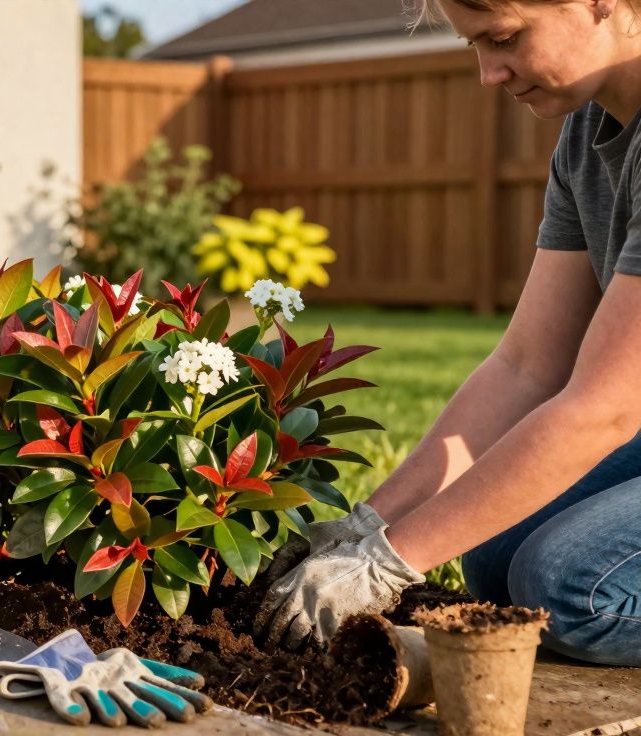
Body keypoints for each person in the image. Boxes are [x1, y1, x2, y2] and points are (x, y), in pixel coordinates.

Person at [256, 0, 641, 667]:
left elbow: (604, 410)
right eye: (476, 48)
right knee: (493, 555)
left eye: (505, 38)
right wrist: (370, 526)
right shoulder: (586, 140)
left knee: (568, 587)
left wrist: (389, 563)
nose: (490, 74)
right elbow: (527, 367)